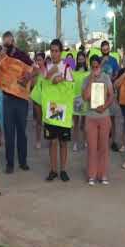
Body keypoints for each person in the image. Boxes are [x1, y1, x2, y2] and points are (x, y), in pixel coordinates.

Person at [0, 31, 34, 174]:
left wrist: (29, 76)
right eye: (5, 43)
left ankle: (23, 161)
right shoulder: (2, 56)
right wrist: (0, 57)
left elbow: (36, 70)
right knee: (9, 132)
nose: (8, 46)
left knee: (21, 131)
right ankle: (10, 163)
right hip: (7, 99)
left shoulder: (22, 55)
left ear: (13, 42)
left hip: (21, 100)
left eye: (9, 43)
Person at [82, 55, 114, 185]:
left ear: (100, 66)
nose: (95, 68)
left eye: (97, 66)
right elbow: (85, 97)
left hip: (104, 116)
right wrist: (91, 79)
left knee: (103, 147)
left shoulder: (106, 78)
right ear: (90, 66)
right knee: (92, 147)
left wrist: (104, 106)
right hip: (91, 117)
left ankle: (103, 174)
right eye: (93, 66)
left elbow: (111, 96)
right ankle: (92, 175)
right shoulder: (86, 79)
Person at [44, 39, 74, 182]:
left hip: (63, 109)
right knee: (52, 142)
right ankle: (53, 170)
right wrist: (51, 74)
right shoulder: (47, 66)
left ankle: (63, 170)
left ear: (61, 52)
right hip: (51, 108)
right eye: (52, 50)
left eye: (56, 51)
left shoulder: (67, 67)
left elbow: (72, 87)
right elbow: (43, 83)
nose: (54, 53)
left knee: (63, 141)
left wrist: (62, 79)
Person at [99, 40, 121, 152]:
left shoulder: (113, 60)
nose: (105, 52)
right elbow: (94, 73)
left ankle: (114, 141)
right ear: (101, 50)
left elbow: (117, 73)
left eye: (107, 50)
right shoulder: (98, 60)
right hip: (99, 92)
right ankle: (102, 142)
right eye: (103, 50)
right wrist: (101, 63)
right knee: (101, 116)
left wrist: (113, 78)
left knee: (112, 117)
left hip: (110, 91)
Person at [72, 51, 88, 152]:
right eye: (79, 58)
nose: (81, 60)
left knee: (85, 123)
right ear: (77, 60)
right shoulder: (73, 72)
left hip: (85, 100)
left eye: (82, 58)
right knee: (76, 123)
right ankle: (75, 143)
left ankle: (85, 141)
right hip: (76, 100)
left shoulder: (89, 72)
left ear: (85, 60)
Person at [32, 52, 48, 149]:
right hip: (37, 98)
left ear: (44, 60)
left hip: (47, 98)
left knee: (47, 120)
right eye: (37, 60)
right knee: (39, 120)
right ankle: (38, 140)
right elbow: (32, 84)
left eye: (40, 60)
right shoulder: (35, 71)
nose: (39, 62)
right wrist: (35, 74)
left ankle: (47, 137)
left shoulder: (48, 70)